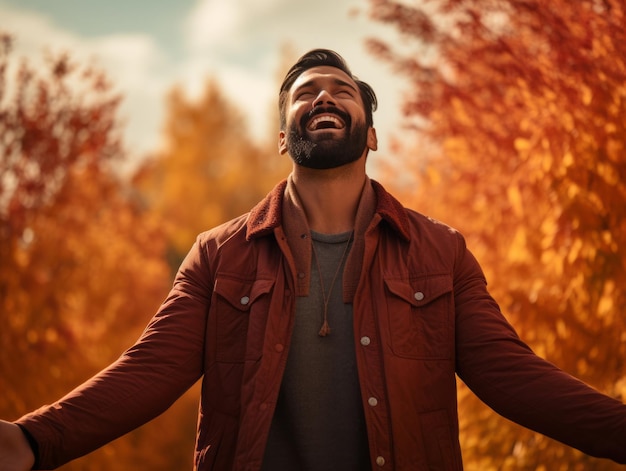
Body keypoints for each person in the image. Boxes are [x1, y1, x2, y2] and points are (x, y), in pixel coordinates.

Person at [1, 48, 625, 471]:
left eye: (342, 91)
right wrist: (31, 441)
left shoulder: (441, 253)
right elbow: (147, 374)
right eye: (306, 93)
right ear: (283, 136)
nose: (323, 97)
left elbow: (515, 378)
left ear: (370, 132)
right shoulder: (219, 257)